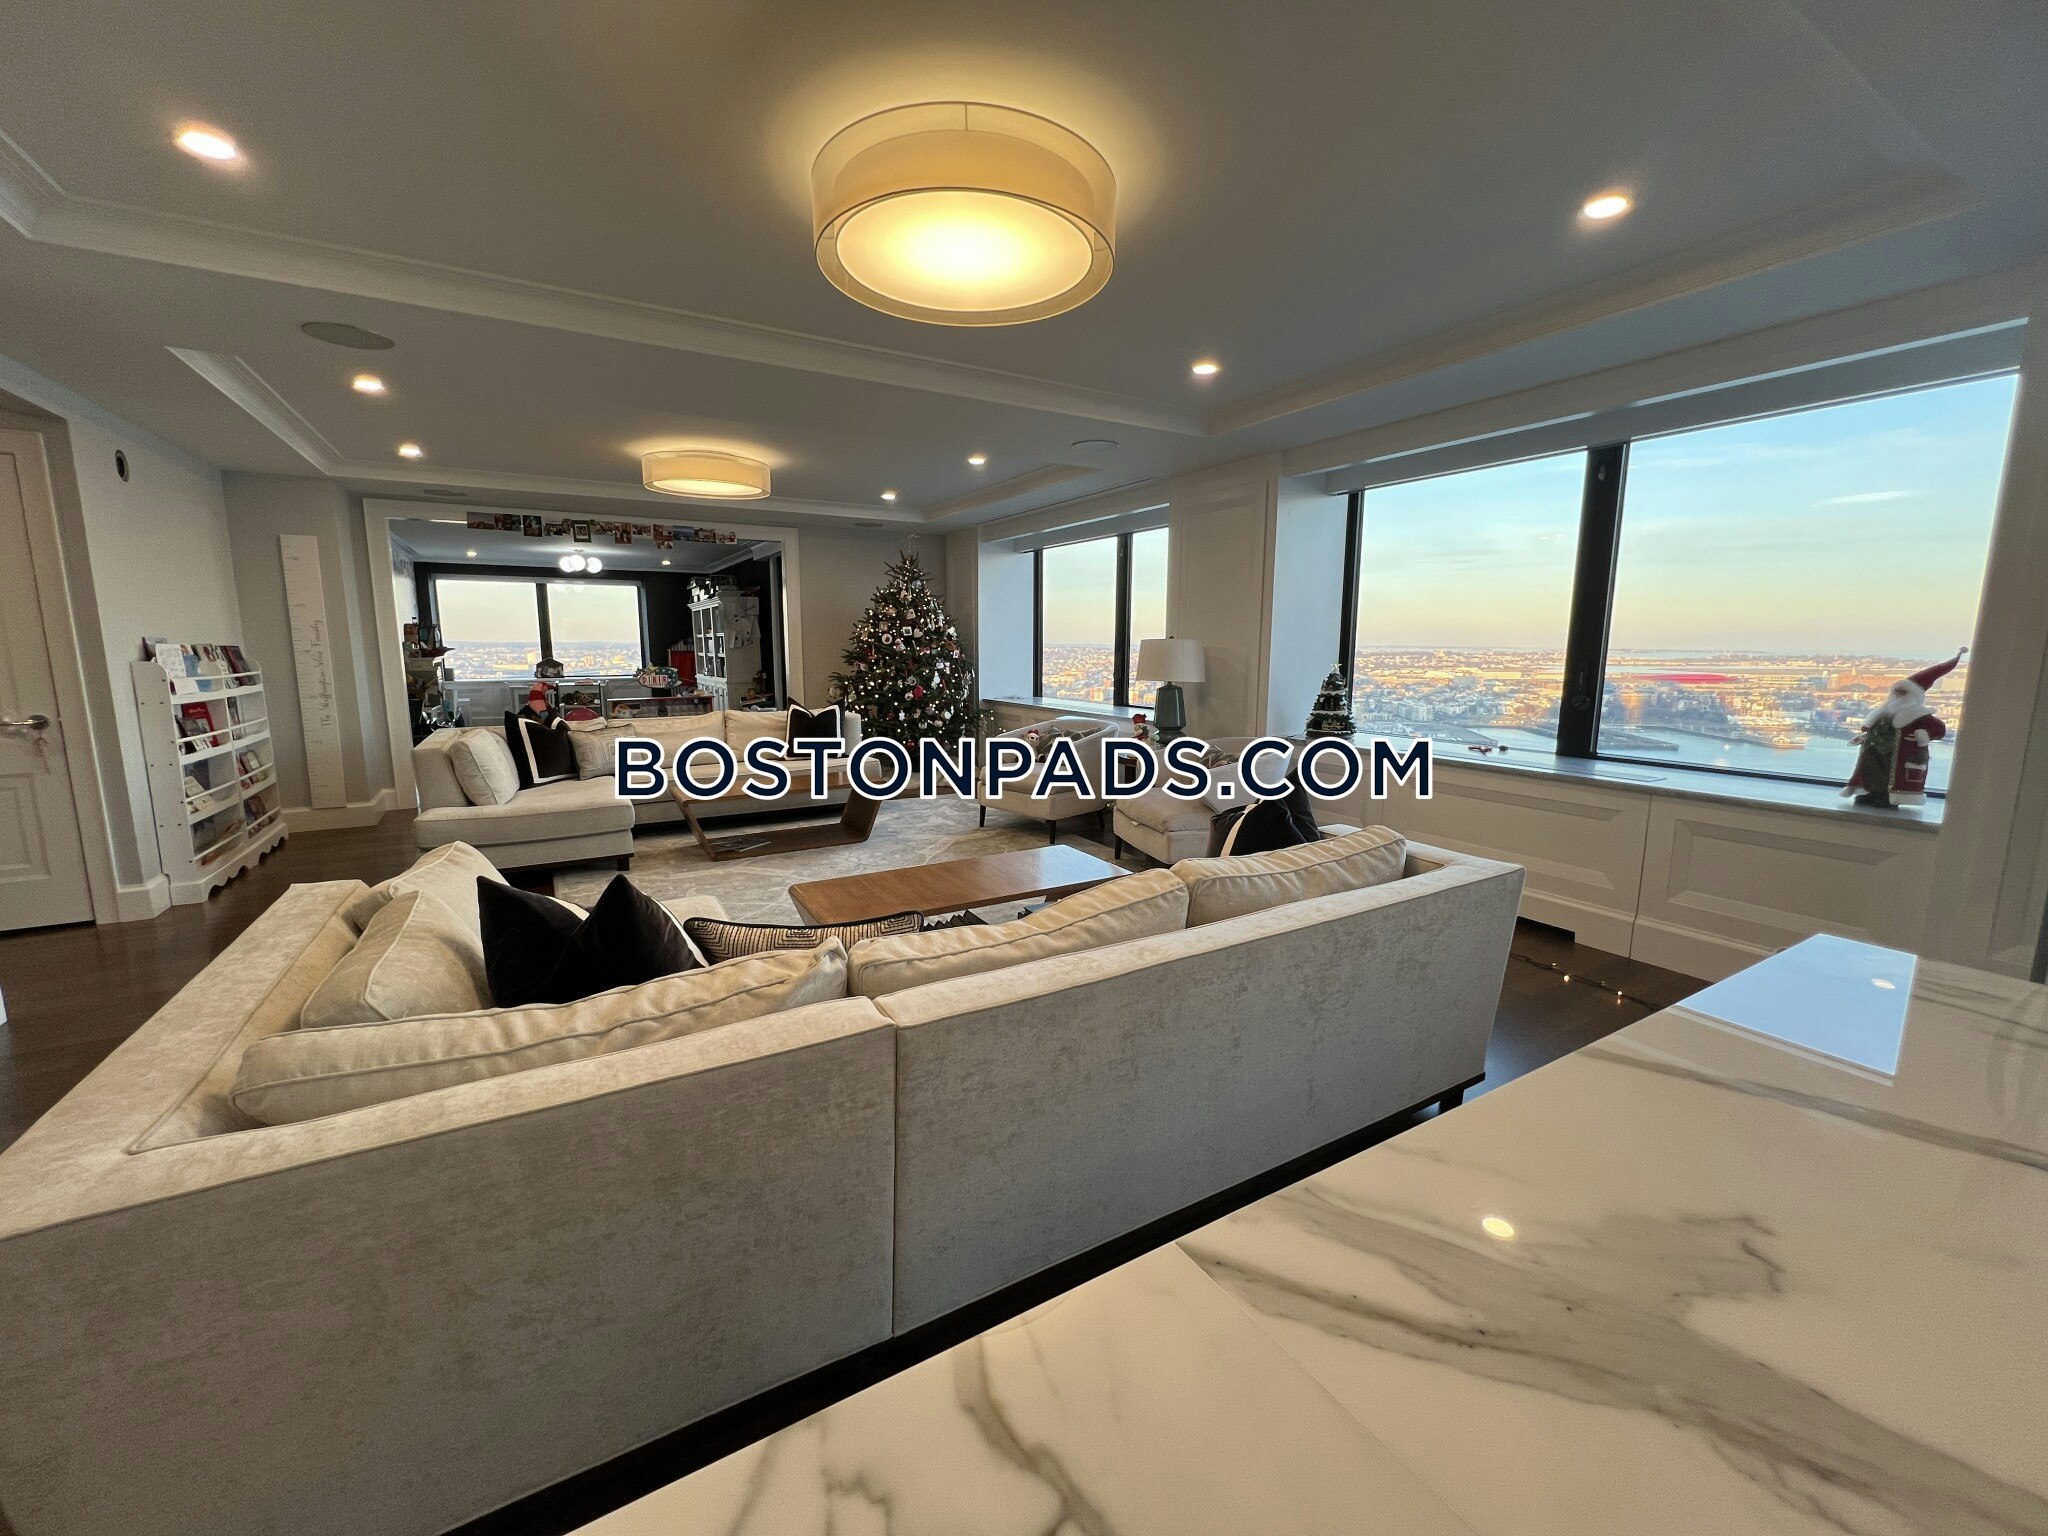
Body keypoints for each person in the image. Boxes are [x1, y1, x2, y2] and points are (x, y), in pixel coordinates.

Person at [1842, 650, 1964, 807]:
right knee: (1871, 772)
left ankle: (1886, 797)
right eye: (1896, 692)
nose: (1898, 695)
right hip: (1874, 751)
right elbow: (1869, 727)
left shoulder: (1918, 715)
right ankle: (1873, 793)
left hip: (1901, 755)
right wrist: (1867, 737)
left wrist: (1924, 734)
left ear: (1913, 695)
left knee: (1892, 776)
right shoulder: (1883, 712)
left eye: (1903, 692)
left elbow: (1939, 729)